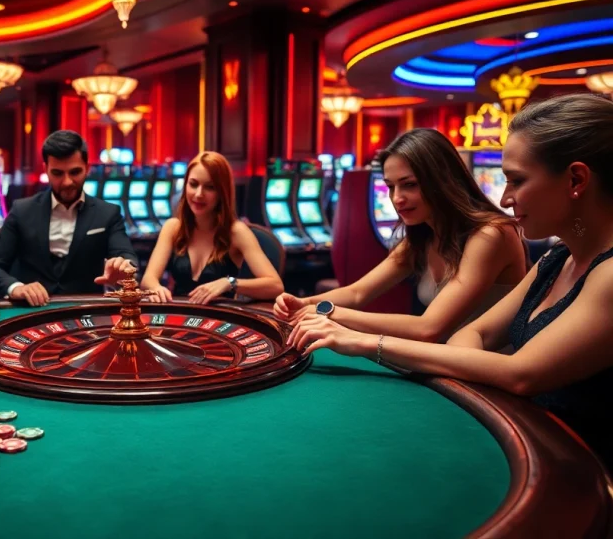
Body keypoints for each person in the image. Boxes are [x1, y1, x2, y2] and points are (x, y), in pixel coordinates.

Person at [288, 94, 613, 465]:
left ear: (576, 179)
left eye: (516, 181)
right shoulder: (554, 261)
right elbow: (473, 334)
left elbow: (520, 373)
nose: (505, 199)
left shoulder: (605, 274)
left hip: (582, 479)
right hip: (512, 432)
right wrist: (312, 308)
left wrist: (360, 340)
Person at [273, 129, 526, 341]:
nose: (396, 199)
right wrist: (303, 303)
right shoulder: (423, 235)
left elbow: (429, 327)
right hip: (446, 368)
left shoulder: (491, 235)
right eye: (391, 186)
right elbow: (357, 293)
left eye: (409, 185)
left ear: (443, 180)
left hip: (489, 389)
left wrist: (326, 312)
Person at [0, 130, 138, 306]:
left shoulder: (108, 213)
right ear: (45, 169)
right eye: (57, 173)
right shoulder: (22, 210)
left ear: (87, 168)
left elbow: (127, 257)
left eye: (75, 172)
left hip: (85, 310)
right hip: (31, 311)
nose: (67, 182)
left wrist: (123, 268)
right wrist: (16, 287)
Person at [140, 152, 283, 303]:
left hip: (219, 320)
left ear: (222, 192)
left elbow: (275, 285)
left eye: (210, 187)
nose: (199, 194)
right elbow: (148, 279)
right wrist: (156, 287)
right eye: (193, 184)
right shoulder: (173, 228)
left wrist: (229, 283)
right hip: (179, 315)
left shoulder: (236, 232)